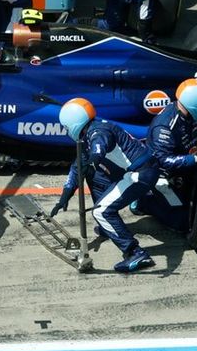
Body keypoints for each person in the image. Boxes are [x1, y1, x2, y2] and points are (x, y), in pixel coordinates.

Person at [49, 98, 160, 273]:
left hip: (141, 174)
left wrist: (94, 160)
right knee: (94, 177)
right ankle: (108, 227)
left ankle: (135, 253)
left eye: (66, 126)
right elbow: (77, 168)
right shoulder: (89, 133)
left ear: (73, 124)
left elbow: (99, 147)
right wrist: (64, 197)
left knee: (101, 211)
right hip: (138, 170)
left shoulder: (97, 132)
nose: (66, 130)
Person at [136, 78, 197, 230]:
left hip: (186, 167)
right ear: (196, 105)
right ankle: (143, 201)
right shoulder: (165, 126)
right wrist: (196, 158)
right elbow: (163, 160)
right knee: (184, 223)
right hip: (160, 175)